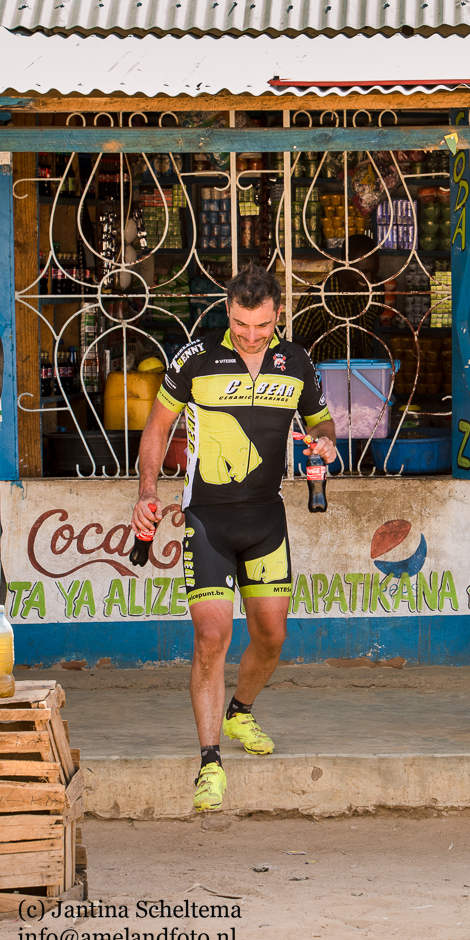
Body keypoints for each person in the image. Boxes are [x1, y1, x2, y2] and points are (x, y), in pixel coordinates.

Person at [133, 265, 338, 813]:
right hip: (208, 519)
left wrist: (325, 446)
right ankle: (210, 761)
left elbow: (322, 425)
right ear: (229, 313)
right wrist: (146, 492)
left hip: (267, 518)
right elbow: (156, 430)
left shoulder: (295, 362)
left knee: (271, 636)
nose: (252, 336)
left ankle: (241, 710)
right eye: (243, 325)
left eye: (263, 326)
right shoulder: (194, 359)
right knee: (211, 638)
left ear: (278, 316)